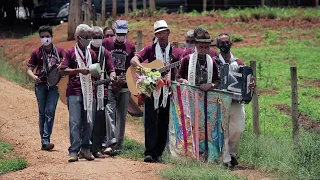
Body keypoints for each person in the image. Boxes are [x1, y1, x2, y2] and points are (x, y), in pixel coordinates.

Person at [130, 20, 181, 163]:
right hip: (151, 89)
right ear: (156, 35)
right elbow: (134, 60)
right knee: (150, 121)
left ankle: (159, 152)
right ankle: (149, 152)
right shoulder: (149, 49)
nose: (161, 35)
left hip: (167, 91)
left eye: (164, 32)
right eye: (158, 33)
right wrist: (145, 69)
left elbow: (181, 68)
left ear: (168, 33)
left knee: (164, 122)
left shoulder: (176, 52)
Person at [214, 33, 255, 168]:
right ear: (218, 45)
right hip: (219, 101)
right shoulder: (214, 62)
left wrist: (250, 84)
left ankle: (232, 153)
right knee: (222, 129)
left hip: (236, 101)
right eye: (222, 43)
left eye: (227, 42)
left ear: (231, 43)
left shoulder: (238, 63)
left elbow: (247, 81)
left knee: (238, 128)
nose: (225, 45)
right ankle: (225, 159)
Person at [59, 24, 98, 162]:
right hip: (74, 91)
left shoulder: (92, 54)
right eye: (86, 37)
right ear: (78, 37)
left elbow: (96, 71)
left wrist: (96, 73)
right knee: (75, 121)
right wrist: (79, 70)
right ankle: (74, 150)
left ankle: (85, 148)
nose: (88, 39)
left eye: (90, 37)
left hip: (89, 91)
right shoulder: (70, 52)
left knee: (89, 121)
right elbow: (62, 70)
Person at [27, 25, 65, 151]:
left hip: (54, 86)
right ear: (40, 38)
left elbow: (66, 66)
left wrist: (62, 67)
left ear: (52, 36)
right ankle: (44, 140)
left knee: (50, 111)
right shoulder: (36, 52)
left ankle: (46, 139)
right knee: (42, 112)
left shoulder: (59, 51)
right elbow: (29, 69)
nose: (45, 39)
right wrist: (34, 77)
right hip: (41, 84)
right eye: (42, 37)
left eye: (47, 36)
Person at [102, 20, 136, 156]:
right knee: (109, 111)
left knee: (121, 116)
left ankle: (119, 145)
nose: (121, 36)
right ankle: (111, 142)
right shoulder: (107, 43)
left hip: (125, 85)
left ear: (127, 33)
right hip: (110, 83)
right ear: (114, 32)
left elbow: (133, 66)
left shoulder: (130, 46)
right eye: (119, 33)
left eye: (124, 34)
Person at [89, 26, 116, 158]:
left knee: (100, 121)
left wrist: (112, 76)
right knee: (87, 121)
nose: (97, 39)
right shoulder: (85, 51)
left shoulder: (105, 52)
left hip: (102, 91)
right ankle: (84, 148)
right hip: (86, 91)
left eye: (100, 37)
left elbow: (111, 69)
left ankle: (97, 148)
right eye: (95, 37)